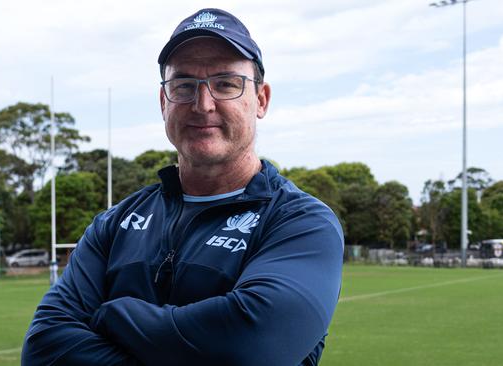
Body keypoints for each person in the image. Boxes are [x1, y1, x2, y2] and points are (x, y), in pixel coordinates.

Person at [21, 8, 343, 366]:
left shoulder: (299, 221)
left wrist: (112, 315)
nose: (202, 104)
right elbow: (44, 348)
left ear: (261, 100)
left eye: (225, 84)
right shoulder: (114, 225)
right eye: (184, 85)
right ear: (164, 102)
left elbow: (251, 345)